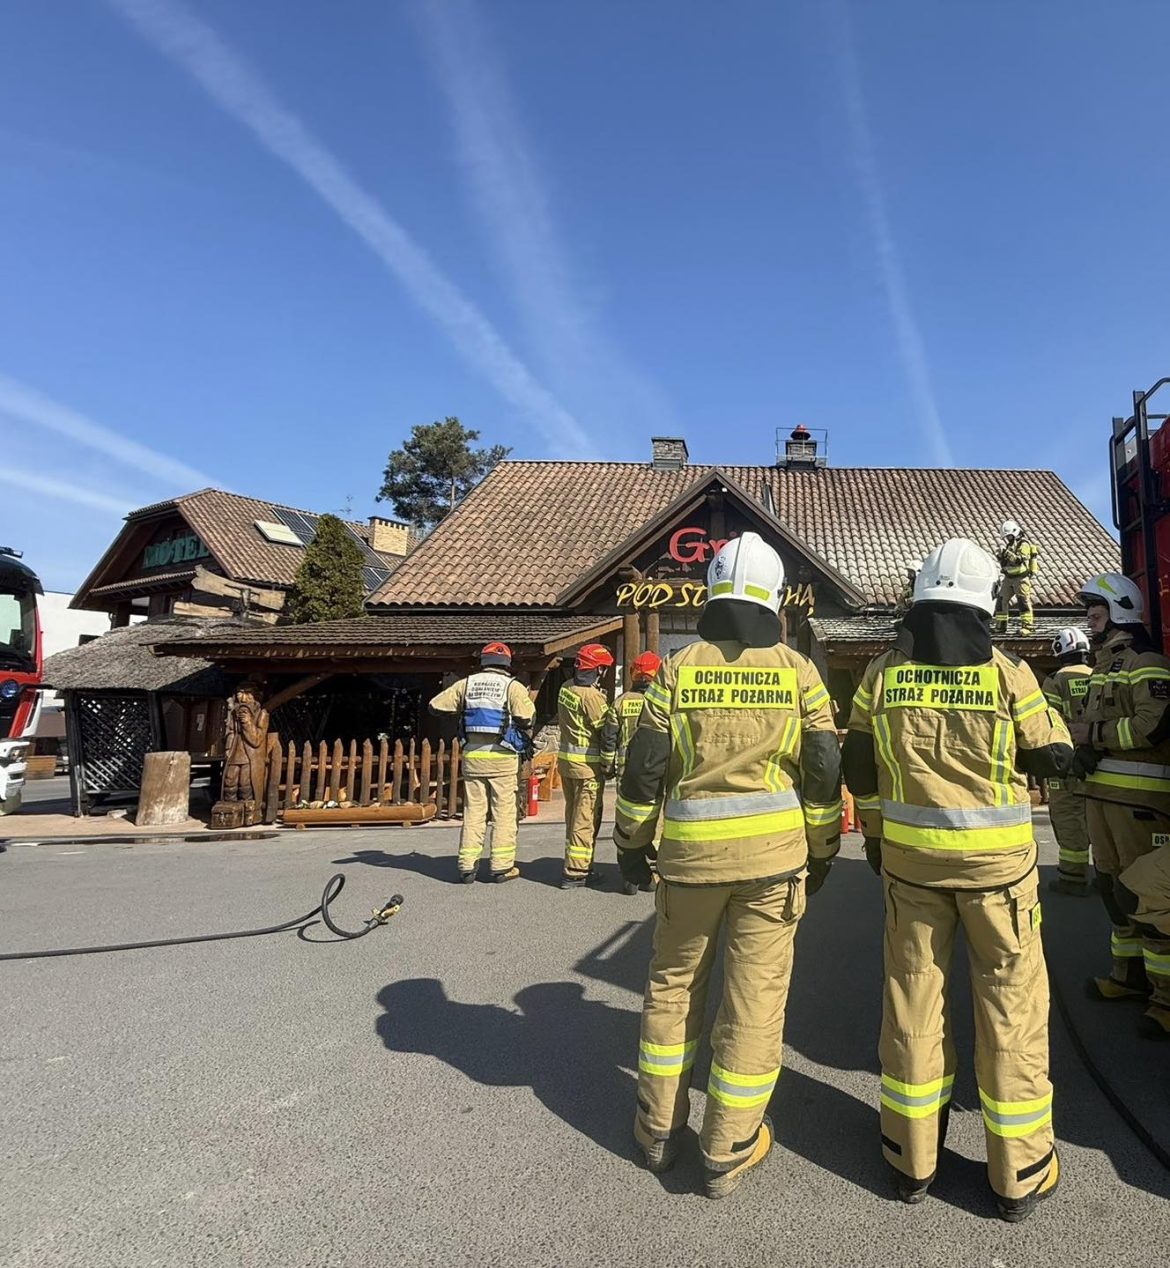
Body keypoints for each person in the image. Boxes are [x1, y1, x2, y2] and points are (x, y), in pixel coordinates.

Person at [843, 538, 1071, 1222]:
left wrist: (879, 841)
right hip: (999, 876)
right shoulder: (1007, 673)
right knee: (1013, 1011)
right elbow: (1051, 755)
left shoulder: (881, 674)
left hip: (912, 870)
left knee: (913, 1004)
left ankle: (910, 1160)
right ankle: (1020, 1174)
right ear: (985, 602)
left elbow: (859, 771)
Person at [614, 532, 842, 1198]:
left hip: (687, 865)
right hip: (773, 868)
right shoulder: (799, 672)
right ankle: (727, 1147)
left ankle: (656, 1131)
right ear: (774, 599)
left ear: (712, 592)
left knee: (673, 989)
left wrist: (631, 844)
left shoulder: (678, 668)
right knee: (754, 1002)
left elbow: (644, 766)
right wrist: (822, 851)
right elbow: (824, 769)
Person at [1071, 574, 1170, 1037]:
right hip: (1102, 796)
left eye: (1096, 609)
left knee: (1148, 898)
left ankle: (1166, 999)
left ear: (1121, 610)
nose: (1089, 617)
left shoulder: (1145, 661)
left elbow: (1153, 726)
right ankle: (1128, 977)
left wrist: (1094, 737)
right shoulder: (1101, 667)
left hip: (1139, 803)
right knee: (1112, 890)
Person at [428, 642, 535, 883]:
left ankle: (467, 866)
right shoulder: (512, 686)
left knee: (474, 811)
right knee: (503, 813)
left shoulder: (466, 684)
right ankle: (501, 867)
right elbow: (527, 718)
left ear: (483, 662)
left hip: (473, 758)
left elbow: (435, 706)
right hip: (503, 759)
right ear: (507, 663)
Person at [601, 651, 663, 895]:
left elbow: (609, 738)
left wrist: (607, 767)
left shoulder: (621, 701)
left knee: (625, 825)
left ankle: (630, 877)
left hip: (626, 775)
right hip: (657, 775)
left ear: (634, 674)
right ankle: (655, 872)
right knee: (658, 823)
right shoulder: (663, 702)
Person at [1041, 628, 1094, 896]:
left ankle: (1072, 877)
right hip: (1099, 759)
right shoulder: (1100, 675)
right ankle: (1105, 875)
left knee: (1068, 817)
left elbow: (1048, 724)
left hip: (1068, 763)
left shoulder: (1055, 682)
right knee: (1096, 816)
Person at [557, 643, 615, 888]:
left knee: (572, 815)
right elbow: (606, 729)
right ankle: (576, 872)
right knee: (585, 818)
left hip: (567, 762)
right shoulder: (592, 696)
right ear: (598, 669)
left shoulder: (565, 688)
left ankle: (574, 862)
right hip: (587, 767)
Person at [222, 680, 269, 804]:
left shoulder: (262, 715)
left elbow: (257, 740)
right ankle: (229, 808)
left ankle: (247, 808)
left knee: (245, 782)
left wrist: (247, 723)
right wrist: (228, 748)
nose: (243, 698)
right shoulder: (234, 714)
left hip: (250, 755)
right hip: (234, 751)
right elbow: (230, 731)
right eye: (239, 694)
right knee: (230, 780)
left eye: (248, 694)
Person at [994, 519, 1039, 636]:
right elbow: (1006, 563)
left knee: (1023, 602)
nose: (1008, 539)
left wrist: (1007, 554)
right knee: (1001, 600)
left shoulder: (1024, 544)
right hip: (1009, 578)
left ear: (1014, 533)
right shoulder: (1010, 545)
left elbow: (1019, 560)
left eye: (1009, 536)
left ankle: (1028, 627)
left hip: (1021, 578)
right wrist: (1001, 556)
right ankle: (1001, 626)